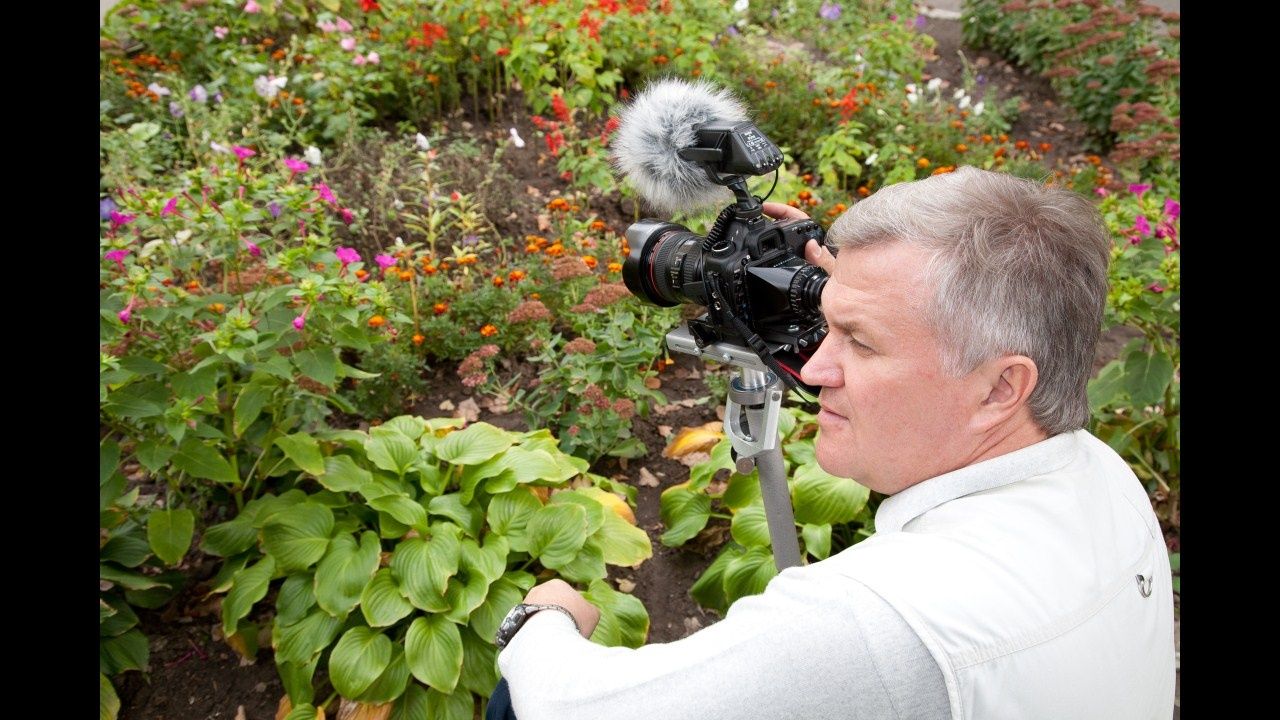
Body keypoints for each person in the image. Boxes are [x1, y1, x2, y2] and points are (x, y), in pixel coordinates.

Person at [489, 166, 1176, 720]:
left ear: (1001, 389)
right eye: (826, 324)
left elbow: (562, 705)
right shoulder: (1103, 478)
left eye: (861, 341)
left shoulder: (874, 623)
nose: (814, 371)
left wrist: (541, 620)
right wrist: (851, 296)